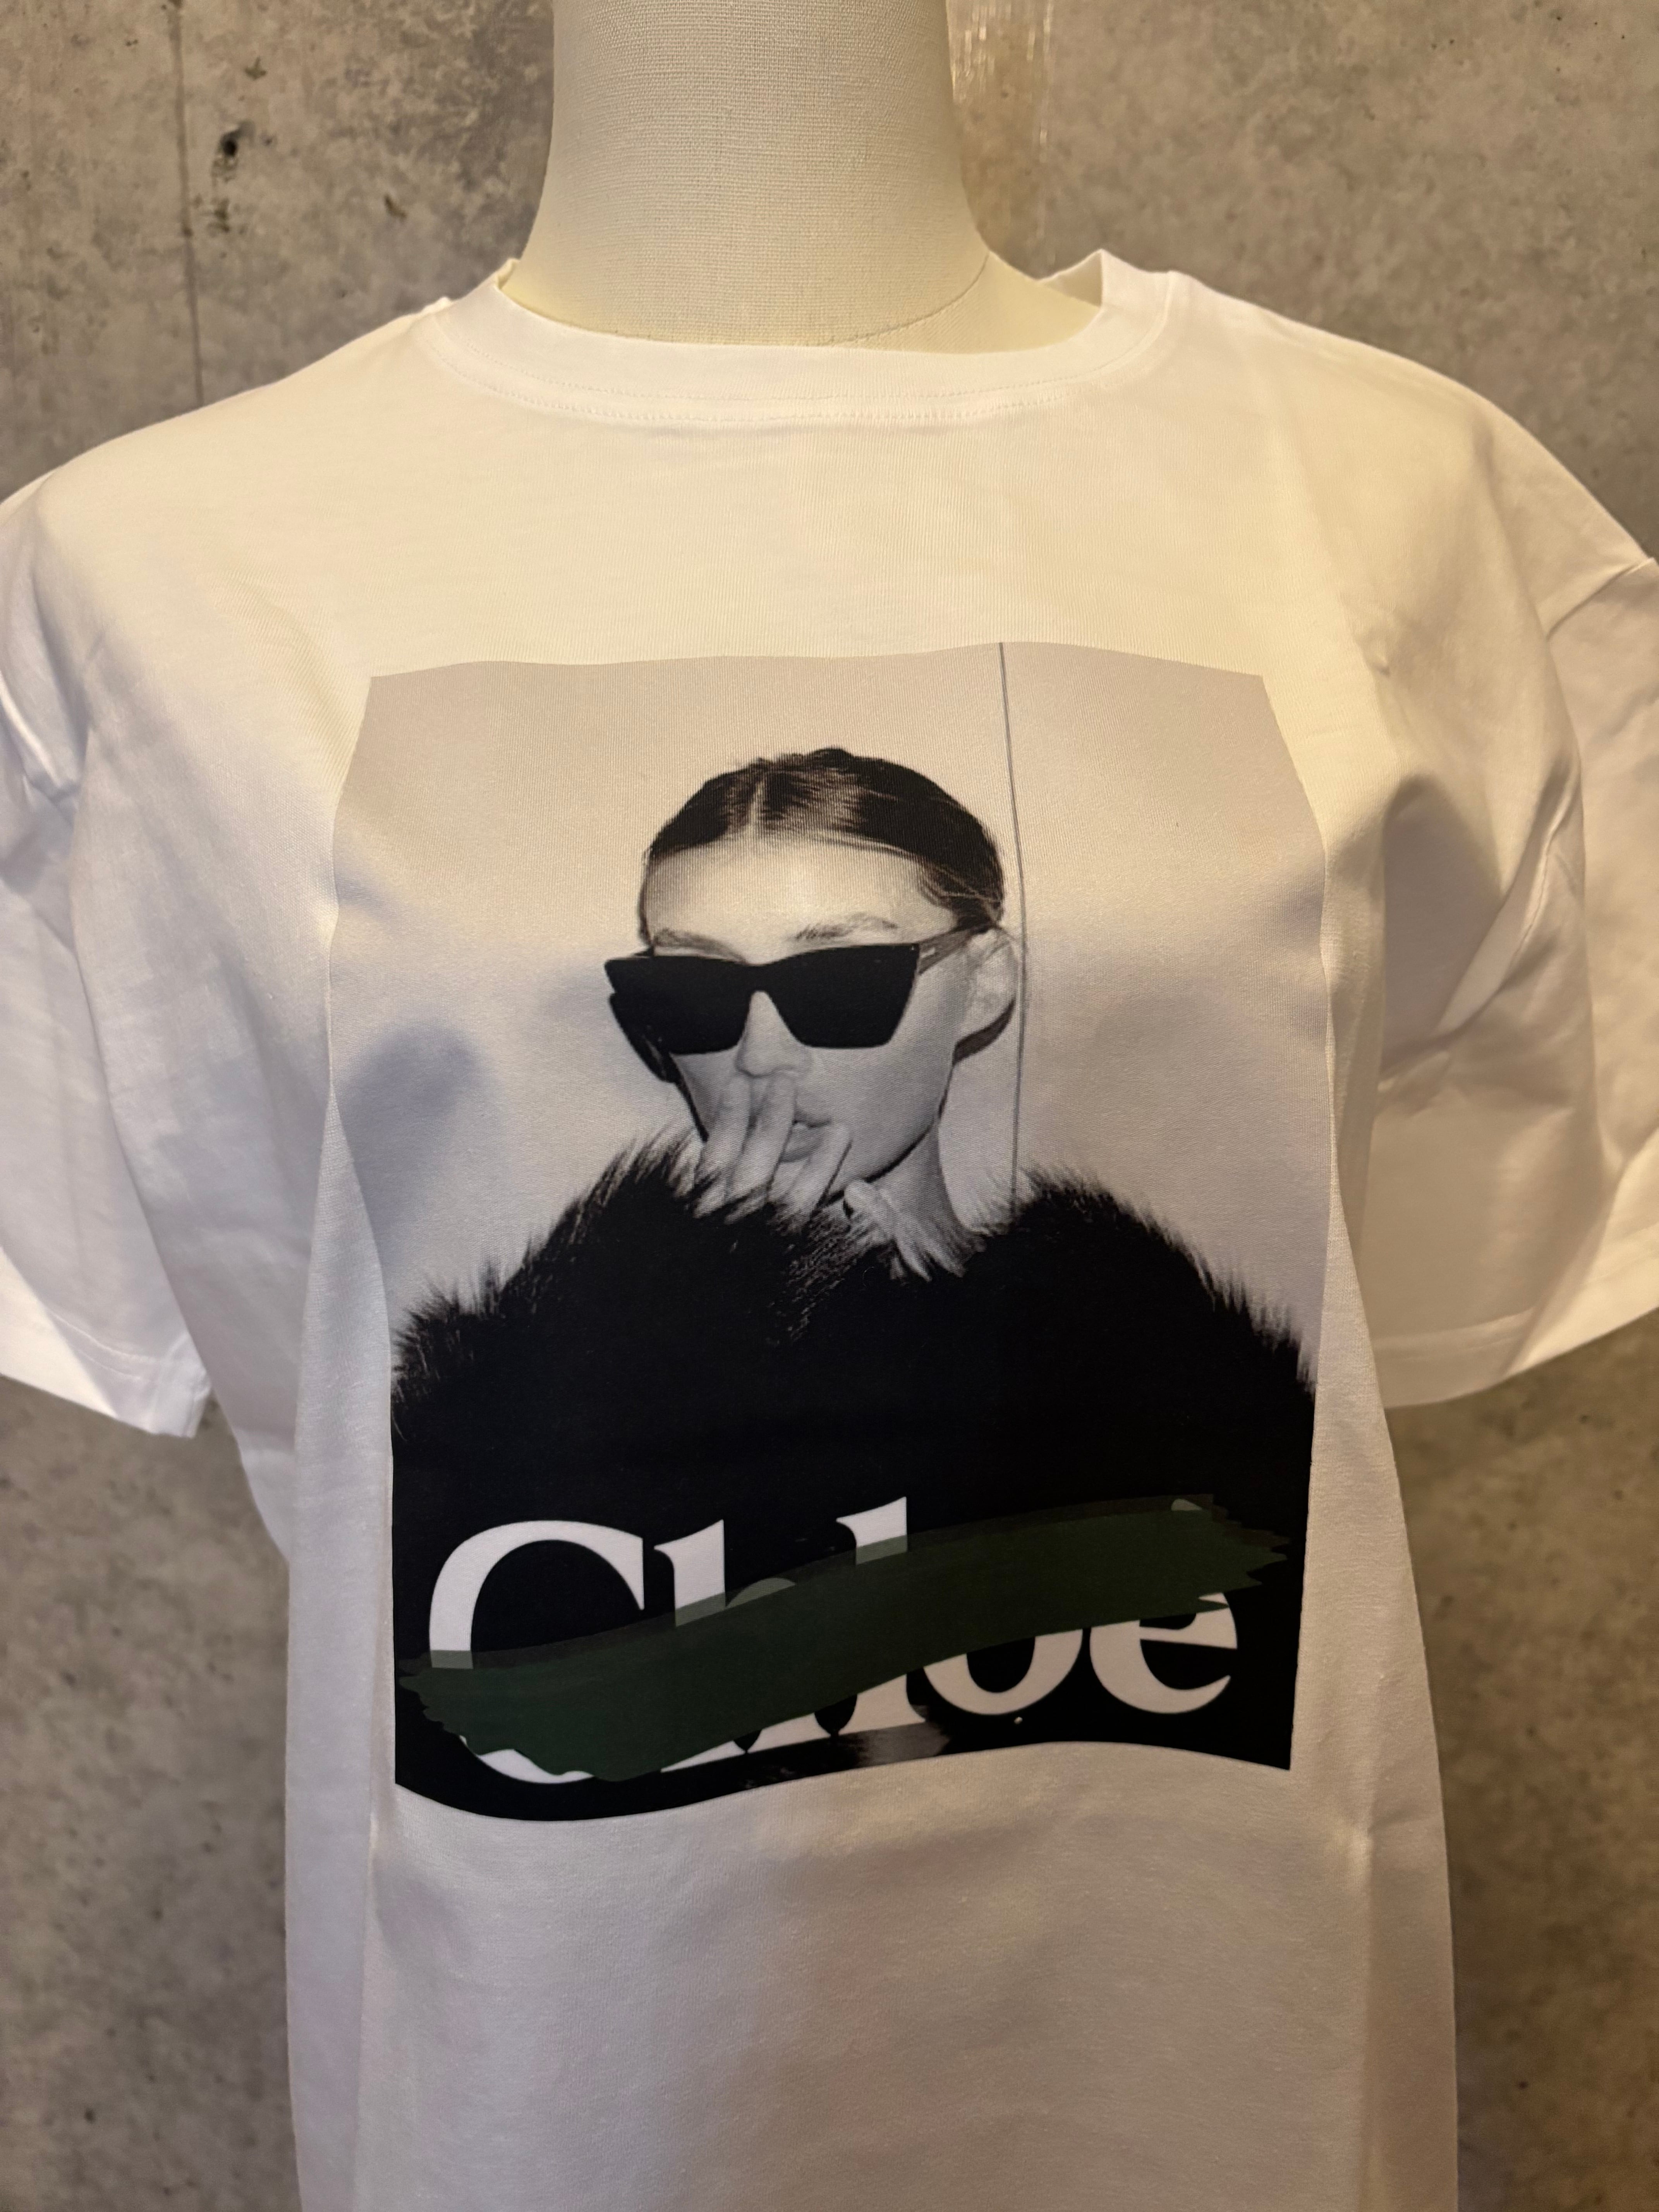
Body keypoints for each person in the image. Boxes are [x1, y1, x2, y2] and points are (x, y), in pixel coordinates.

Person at [605, 745, 1019, 1274]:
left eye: (839, 982)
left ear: (984, 984)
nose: (760, 1058)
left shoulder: (1107, 1320)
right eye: (696, 986)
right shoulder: (566, 1324)